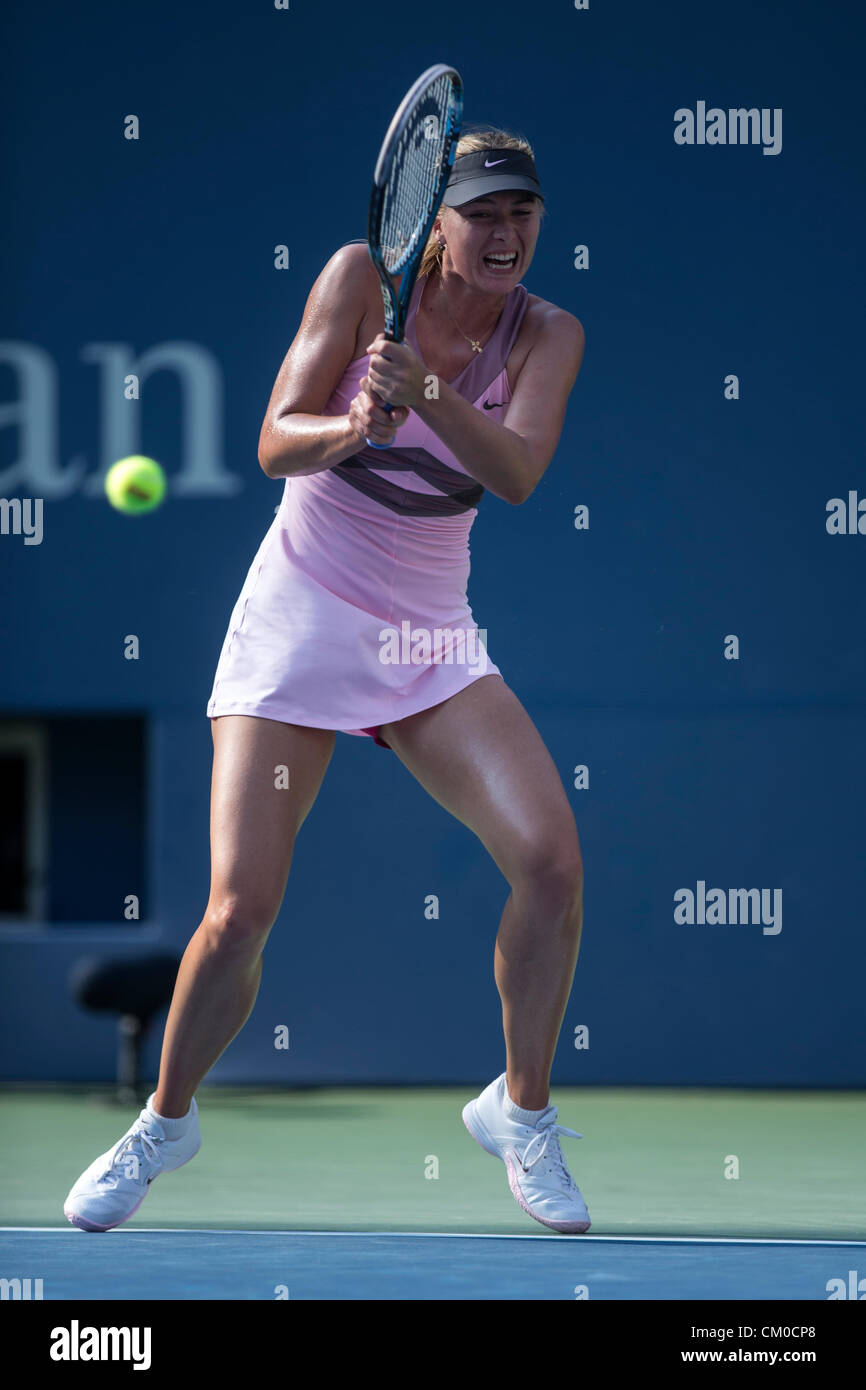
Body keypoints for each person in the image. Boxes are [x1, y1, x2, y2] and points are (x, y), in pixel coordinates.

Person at [64, 127, 590, 1236]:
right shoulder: (360, 280)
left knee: (548, 863)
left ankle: (520, 1111)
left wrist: (435, 396)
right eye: (482, 214)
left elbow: (520, 473)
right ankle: (165, 1119)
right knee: (240, 908)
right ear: (430, 225)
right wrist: (356, 421)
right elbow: (271, 441)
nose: (505, 234)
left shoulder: (547, 333)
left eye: (522, 214)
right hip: (301, 615)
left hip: (427, 639)